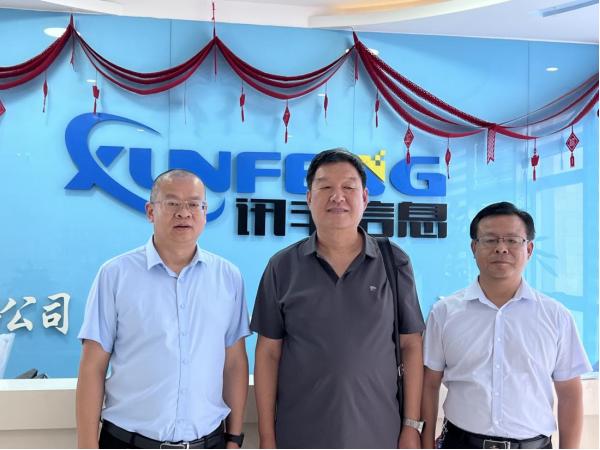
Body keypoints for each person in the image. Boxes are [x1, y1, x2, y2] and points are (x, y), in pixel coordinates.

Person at [251, 148, 426, 449]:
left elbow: (410, 345)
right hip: (300, 435)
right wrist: (267, 437)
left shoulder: (393, 261)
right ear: (309, 198)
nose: (337, 197)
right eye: (325, 187)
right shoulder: (282, 266)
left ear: (365, 198)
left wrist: (411, 426)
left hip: (379, 433)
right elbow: (268, 354)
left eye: (348, 187)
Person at [76, 169, 251, 450]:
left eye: (194, 204)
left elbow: (234, 363)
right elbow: (93, 366)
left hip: (209, 442)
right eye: (172, 203)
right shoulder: (115, 275)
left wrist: (234, 439)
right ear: (150, 211)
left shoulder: (228, 277)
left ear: (205, 212)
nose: (184, 213)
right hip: (127, 443)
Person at [421, 202, 592, 450]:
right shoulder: (444, 313)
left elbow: (570, 393)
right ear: (474, 248)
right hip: (460, 443)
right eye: (490, 240)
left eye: (512, 240)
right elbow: (429, 385)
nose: (501, 248)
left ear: (529, 249)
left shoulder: (556, 317)